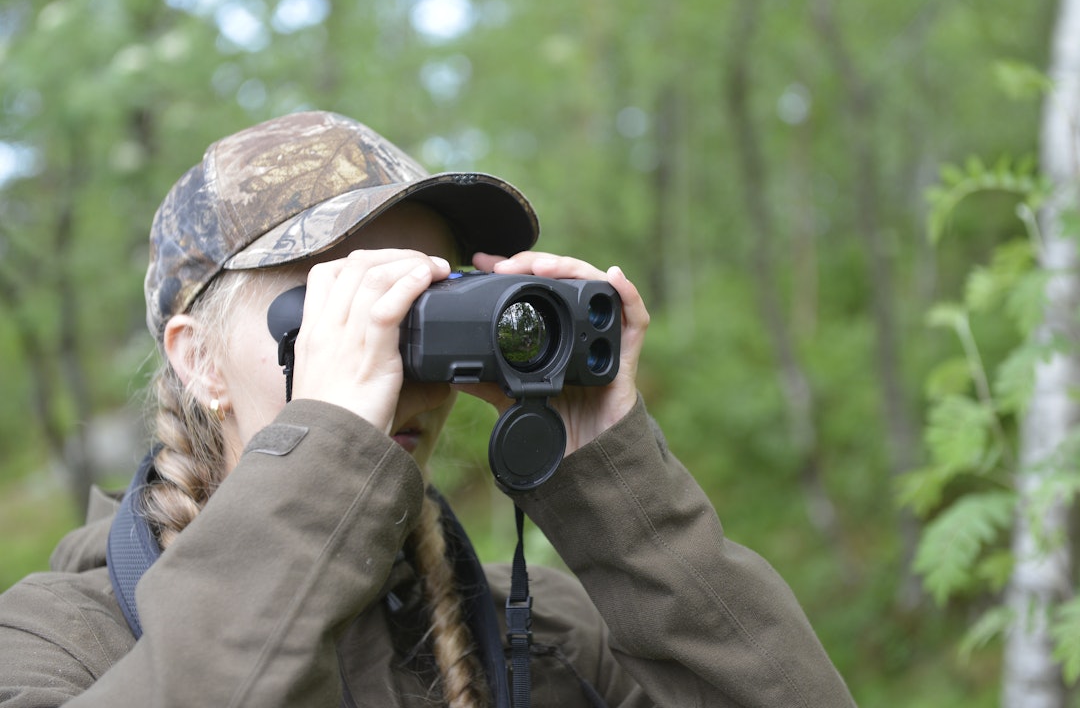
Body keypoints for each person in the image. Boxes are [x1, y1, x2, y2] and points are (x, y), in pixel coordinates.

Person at [0, 110, 856, 707]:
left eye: (426, 303)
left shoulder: (538, 634)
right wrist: (325, 454)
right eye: (338, 302)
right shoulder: (56, 644)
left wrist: (614, 481)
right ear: (199, 361)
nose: (386, 354)